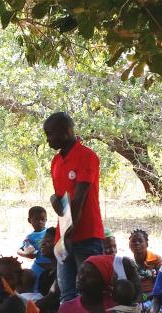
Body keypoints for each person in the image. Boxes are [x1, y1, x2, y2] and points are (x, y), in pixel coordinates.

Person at [44, 112, 104, 302]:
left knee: (90, 292)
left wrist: (68, 235)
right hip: (64, 236)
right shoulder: (56, 162)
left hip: (87, 235)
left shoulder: (87, 156)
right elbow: (63, 202)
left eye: (50, 134)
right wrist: (62, 236)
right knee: (67, 293)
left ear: (66, 131)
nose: (48, 140)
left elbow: (78, 200)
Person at [129, 229, 162, 295]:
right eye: (133, 241)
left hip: (154, 294)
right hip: (135, 296)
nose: (137, 243)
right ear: (129, 245)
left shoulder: (156, 259)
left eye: (140, 241)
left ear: (146, 244)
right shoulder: (128, 262)